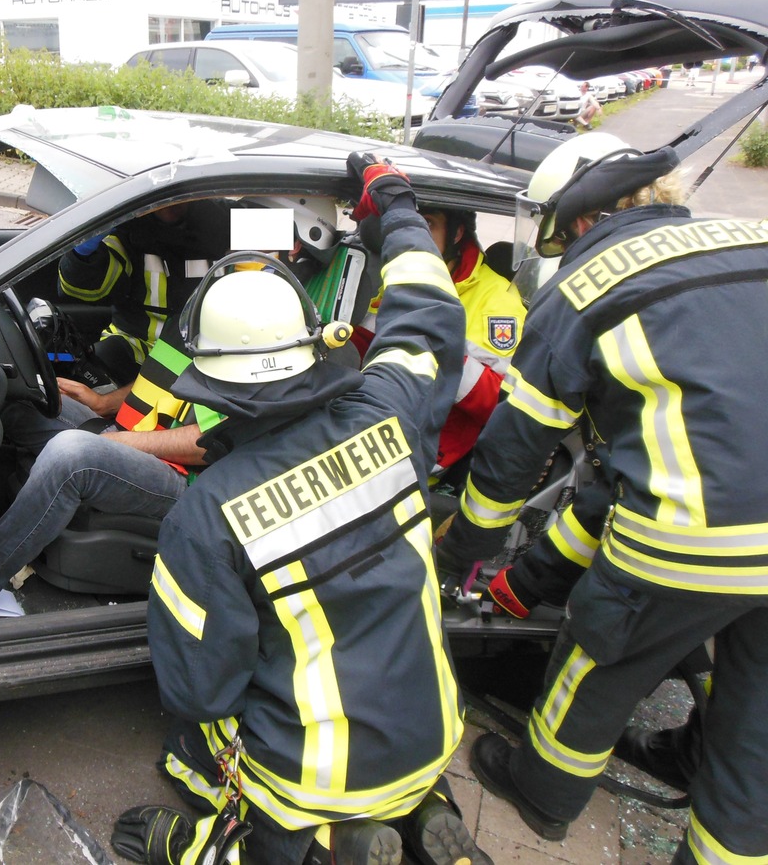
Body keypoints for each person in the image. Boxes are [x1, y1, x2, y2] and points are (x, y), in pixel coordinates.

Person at [111, 154, 492, 865]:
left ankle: (263, 843)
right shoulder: (389, 406)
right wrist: (396, 208)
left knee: (195, 739)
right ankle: (417, 810)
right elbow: (430, 316)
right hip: (436, 728)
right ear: (313, 343)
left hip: (318, 774)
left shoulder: (206, 517)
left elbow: (201, 687)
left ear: (212, 384)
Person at [435, 131, 768, 863]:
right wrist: (528, 579)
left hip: (695, 540)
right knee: (758, 722)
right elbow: (625, 465)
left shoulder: (586, 286)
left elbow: (514, 455)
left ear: (580, 218)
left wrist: (459, 549)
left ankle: (542, 794)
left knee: (597, 659)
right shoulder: (750, 238)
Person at [0, 322, 220, 609]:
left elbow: (209, 443)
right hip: (129, 432)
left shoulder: (248, 324)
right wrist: (101, 403)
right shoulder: (200, 305)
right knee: (14, 397)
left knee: (70, 455)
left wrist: (121, 442)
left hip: (182, 476)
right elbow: (164, 379)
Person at [357, 206, 525, 486]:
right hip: (378, 414)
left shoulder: (498, 302)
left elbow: (505, 404)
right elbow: (365, 344)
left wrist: (442, 351)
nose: (415, 234)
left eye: (428, 223)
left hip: (427, 449)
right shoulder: (404, 274)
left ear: (457, 233)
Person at [59, 199, 235, 389]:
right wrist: (81, 256)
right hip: (137, 348)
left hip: (211, 355)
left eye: (178, 196)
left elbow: (269, 243)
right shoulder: (127, 227)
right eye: (162, 203)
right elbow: (84, 290)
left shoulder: (229, 220)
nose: (169, 207)